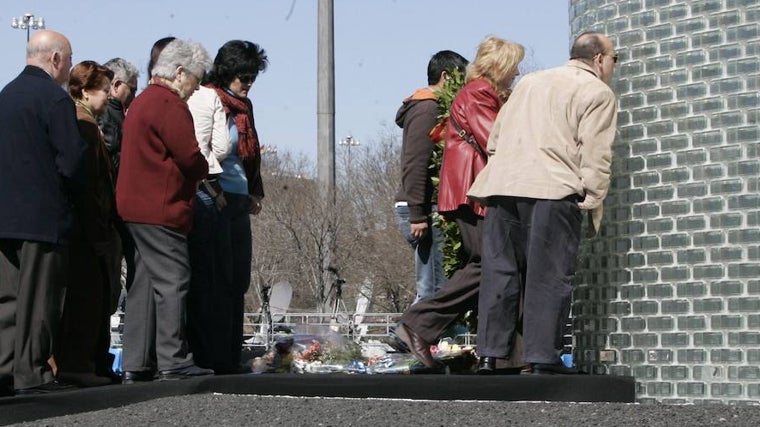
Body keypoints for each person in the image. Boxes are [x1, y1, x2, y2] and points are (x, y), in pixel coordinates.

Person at [468, 32, 618, 375]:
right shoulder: (597, 92)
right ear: (598, 59)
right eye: (614, 59)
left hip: (503, 187)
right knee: (548, 276)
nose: (613, 66)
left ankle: (489, 356)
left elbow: (495, 139)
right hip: (553, 189)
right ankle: (541, 359)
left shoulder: (531, 82)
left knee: (500, 272)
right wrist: (593, 198)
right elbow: (595, 153)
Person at [395, 36, 524, 368]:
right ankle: (419, 323)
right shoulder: (481, 92)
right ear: (500, 66)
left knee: (492, 267)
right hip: (474, 192)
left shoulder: (480, 92)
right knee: (491, 265)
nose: (518, 72)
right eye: (513, 66)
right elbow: (496, 140)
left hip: (468, 190)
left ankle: (504, 354)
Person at [116, 38, 213, 383]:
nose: (196, 87)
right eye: (195, 79)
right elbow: (189, 157)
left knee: (143, 283)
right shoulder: (168, 104)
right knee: (173, 279)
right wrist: (204, 168)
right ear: (179, 71)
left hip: (133, 207)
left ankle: (136, 362)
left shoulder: (142, 101)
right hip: (161, 208)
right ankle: (173, 359)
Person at [0, 30, 85, 396]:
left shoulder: (5, 96)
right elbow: (72, 162)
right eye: (68, 60)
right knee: (40, 299)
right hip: (42, 217)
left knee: (8, 298)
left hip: (4, 215)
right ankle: (32, 372)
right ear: (55, 59)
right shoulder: (54, 100)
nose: (68, 68)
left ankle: (4, 369)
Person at [186, 40, 268, 374]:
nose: (247, 83)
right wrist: (214, 188)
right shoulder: (207, 99)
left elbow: (251, 152)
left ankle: (231, 352)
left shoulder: (244, 105)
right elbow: (199, 149)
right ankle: (212, 355)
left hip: (237, 198)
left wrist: (254, 192)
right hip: (212, 196)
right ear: (226, 72)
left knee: (237, 279)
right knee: (214, 279)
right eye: (241, 76)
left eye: (251, 77)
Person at [55, 61, 120, 387]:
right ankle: (77, 366)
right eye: (104, 90)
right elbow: (88, 184)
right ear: (84, 90)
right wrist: (98, 228)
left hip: (83, 228)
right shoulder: (84, 126)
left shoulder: (84, 123)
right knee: (87, 298)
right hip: (86, 231)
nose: (109, 96)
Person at [394, 50, 468, 304]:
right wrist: (418, 213)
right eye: (461, 79)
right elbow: (416, 162)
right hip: (423, 208)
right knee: (433, 286)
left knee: (436, 282)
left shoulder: (431, 107)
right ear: (446, 76)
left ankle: (417, 335)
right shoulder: (428, 108)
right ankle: (407, 334)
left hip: (425, 207)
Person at [99, 58, 139, 174]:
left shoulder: (112, 111)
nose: (134, 97)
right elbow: (112, 159)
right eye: (132, 90)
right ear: (116, 86)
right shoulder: (107, 113)